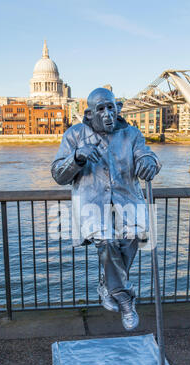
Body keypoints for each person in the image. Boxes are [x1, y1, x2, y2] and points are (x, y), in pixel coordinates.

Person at [51, 88, 161, 331]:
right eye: (101, 109)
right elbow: (58, 174)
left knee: (131, 237)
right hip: (92, 204)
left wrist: (148, 162)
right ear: (89, 114)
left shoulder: (131, 134)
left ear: (118, 108)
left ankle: (107, 284)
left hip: (128, 201)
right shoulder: (75, 135)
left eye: (111, 107)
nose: (108, 113)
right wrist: (77, 157)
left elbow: (148, 155)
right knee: (108, 240)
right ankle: (124, 298)